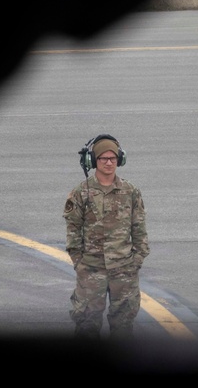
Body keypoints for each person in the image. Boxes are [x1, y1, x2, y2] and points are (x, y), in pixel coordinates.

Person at [63, 133, 149, 339]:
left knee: (123, 325)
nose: (109, 162)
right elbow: (73, 228)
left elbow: (139, 228)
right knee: (86, 324)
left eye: (113, 158)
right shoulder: (81, 193)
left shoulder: (130, 191)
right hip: (92, 268)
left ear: (120, 159)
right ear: (93, 161)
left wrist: (137, 259)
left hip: (124, 269)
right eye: (103, 158)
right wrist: (79, 262)